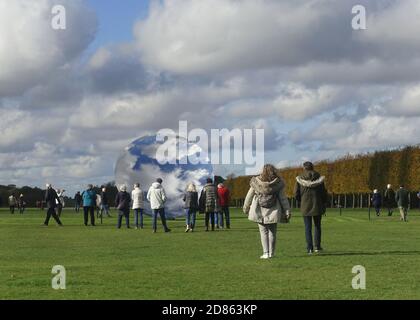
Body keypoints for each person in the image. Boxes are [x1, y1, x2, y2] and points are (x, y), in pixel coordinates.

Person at [243, 164, 291, 259]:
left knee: (263, 232)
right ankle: (271, 253)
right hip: (274, 210)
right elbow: (283, 199)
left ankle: (265, 253)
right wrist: (287, 210)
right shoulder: (278, 183)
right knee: (272, 233)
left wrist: (246, 208)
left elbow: (249, 196)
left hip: (259, 210)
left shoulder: (256, 182)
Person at [294, 161, 328, 254]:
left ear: (304, 168)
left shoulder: (300, 179)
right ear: (313, 167)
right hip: (317, 204)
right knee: (317, 226)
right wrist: (324, 202)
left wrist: (301, 201)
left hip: (305, 205)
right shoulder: (319, 178)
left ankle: (309, 248)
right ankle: (317, 246)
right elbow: (323, 193)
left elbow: (296, 194)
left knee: (307, 227)